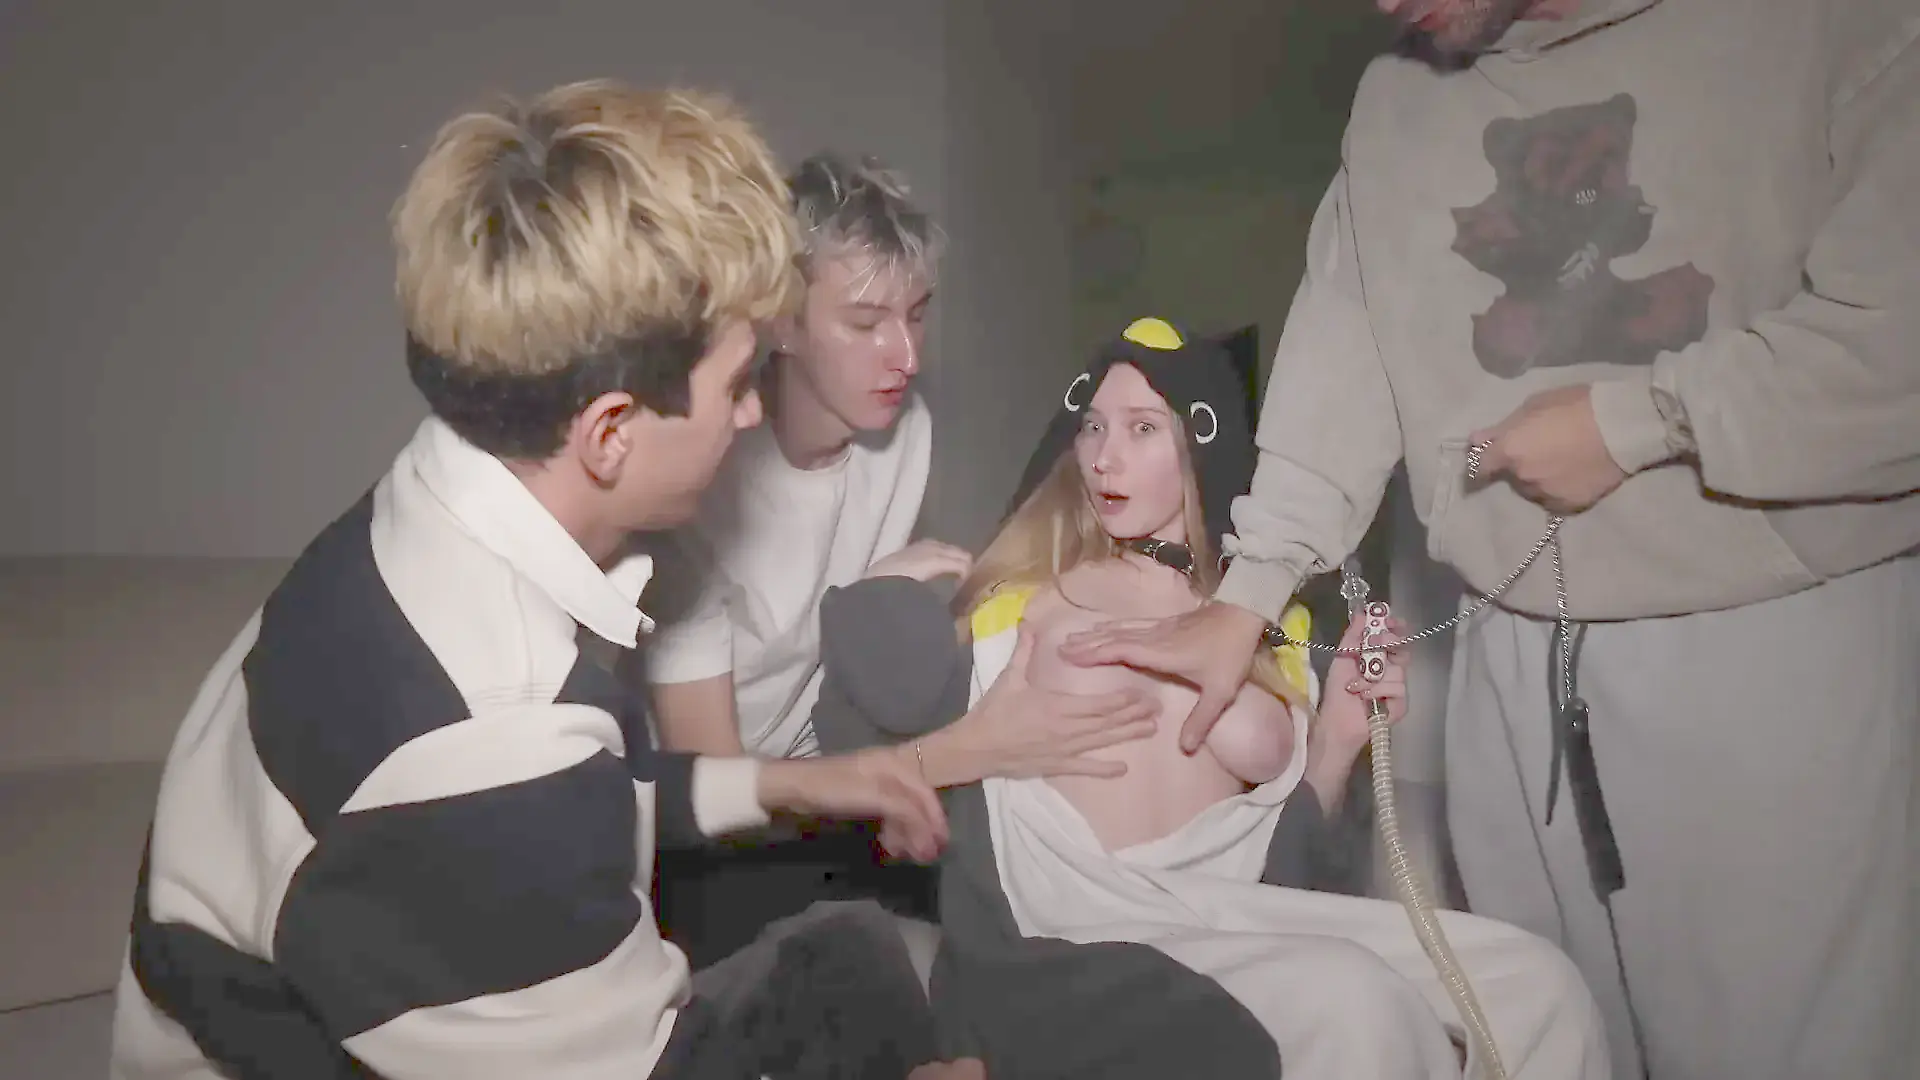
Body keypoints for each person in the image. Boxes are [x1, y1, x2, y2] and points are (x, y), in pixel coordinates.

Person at [1058, 4, 1920, 1078]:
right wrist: (1250, 592)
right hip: (1506, 656)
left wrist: (1640, 424)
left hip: (1769, 636)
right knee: (1540, 1031)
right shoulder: (1395, 101)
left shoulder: (1840, 26)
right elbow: (1343, 358)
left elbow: (1897, 337)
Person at [108, 79, 979, 1080]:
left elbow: (592, 785)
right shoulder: (492, 742)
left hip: (341, 985)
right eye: (737, 386)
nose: (750, 418)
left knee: (852, 957)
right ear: (611, 432)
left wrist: (798, 782)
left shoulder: (425, 511)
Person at [809, 318, 1610, 1079]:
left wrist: (1337, 733)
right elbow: (859, 744)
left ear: (1200, 444)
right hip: (1071, 930)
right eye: (1093, 427)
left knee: (1537, 988)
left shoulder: (1265, 629)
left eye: (1142, 429)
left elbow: (1286, 867)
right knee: (1352, 1002)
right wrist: (880, 593)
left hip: (1230, 914)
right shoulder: (1024, 602)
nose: (1105, 457)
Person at [641, 153, 1156, 968]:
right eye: (865, 322)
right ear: (780, 323)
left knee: (1019, 912)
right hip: (714, 833)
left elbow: (865, 680)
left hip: (835, 781)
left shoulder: (903, 432)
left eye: (917, 315)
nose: (906, 355)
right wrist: (969, 748)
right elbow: (715, 786)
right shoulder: (699, 489)